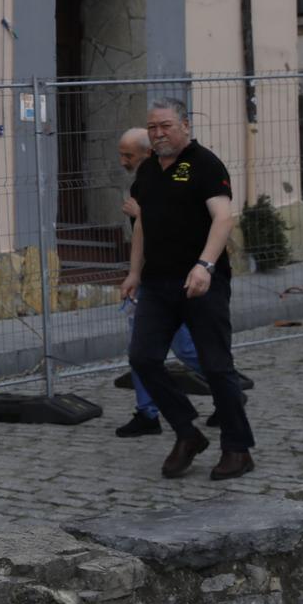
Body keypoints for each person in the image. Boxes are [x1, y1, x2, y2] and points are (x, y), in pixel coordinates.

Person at [120, 98, 255, 480]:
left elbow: (223, 218)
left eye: (166, 125)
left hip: (202, 283)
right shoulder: (146, 172)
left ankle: (237, 449)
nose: (159, 133)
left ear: (185, 125)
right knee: (143, 358)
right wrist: (133, 273)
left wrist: (205, 265)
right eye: (153, 127)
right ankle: (186, 432)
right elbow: (142, 226)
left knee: (216, 366)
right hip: (157, 283)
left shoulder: (205, 165)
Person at [113, 127, 202, 438]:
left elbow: (175, 230)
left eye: (129, 156)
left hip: (169, 280)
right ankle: (147, 412)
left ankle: (226, 385)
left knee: (185, 348)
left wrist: (141, 214)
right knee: (140, 350)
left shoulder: (172, 180)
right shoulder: (143, 180)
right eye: (121, 155)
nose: (123, 161)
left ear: (148, 153)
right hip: (147, 282)